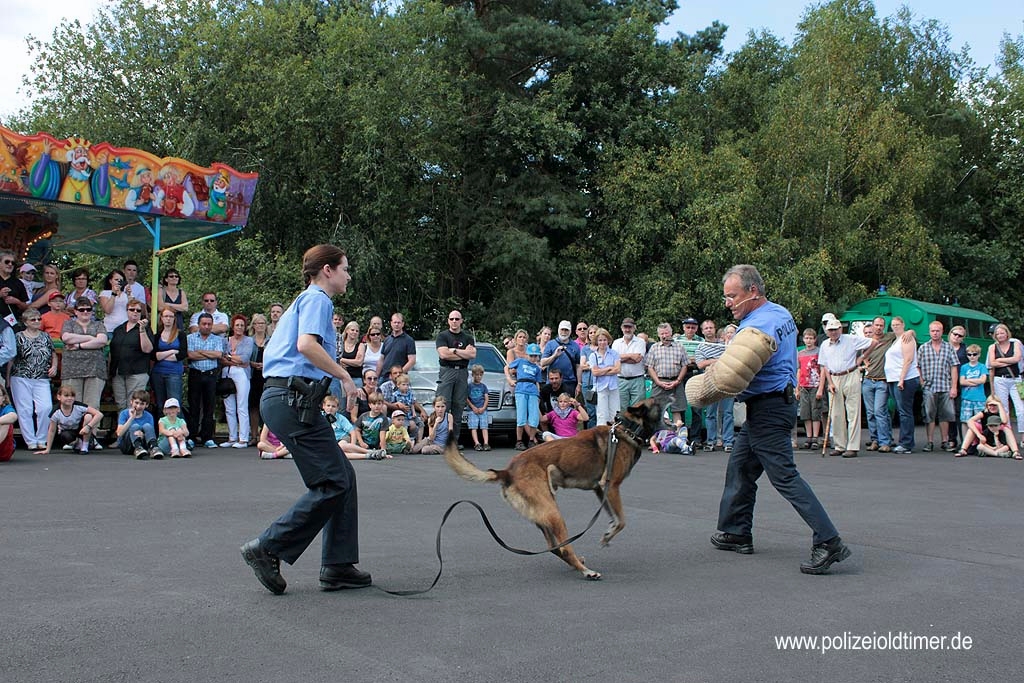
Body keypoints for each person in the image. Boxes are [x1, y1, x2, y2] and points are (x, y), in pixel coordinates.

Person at [240, 244, 370, 596]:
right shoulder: (317, 299)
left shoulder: (306, 300)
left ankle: (339, 565)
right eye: (345, 268)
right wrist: (345, 376)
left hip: (288, 398)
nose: (348, 275)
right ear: (327, 270)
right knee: (332, 481)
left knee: (342, 476)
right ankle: (268, 547)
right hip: (290, 398)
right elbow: (306, 346)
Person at [712, 264, 850, 575]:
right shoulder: (780, 313)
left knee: (785, 477)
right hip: (773, 404)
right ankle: (736, 532)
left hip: (768, 408)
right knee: (740, 468)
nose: (728, 303)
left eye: (732, 296)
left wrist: (711, 375)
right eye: (726, 297)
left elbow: (731, 374)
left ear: (753, 292)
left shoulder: (756, 329)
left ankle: (828, 541)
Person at [817, 317, 873, 457]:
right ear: (827, 331)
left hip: (850, 374)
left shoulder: (851, 339)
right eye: (831, 330)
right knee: (836, 414)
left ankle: (852, 447)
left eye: (836, 329)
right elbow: (824, 365)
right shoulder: (824, 344)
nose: (833, 332)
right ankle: (839, 445)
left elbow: (874, 342)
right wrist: (829, 383)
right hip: (834, 377)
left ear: (840, 329)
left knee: (853, 412)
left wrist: (862, 357)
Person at [10, 309, 58, 449]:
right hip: (20, 376)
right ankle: (30, 441)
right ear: (25, 322)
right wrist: (8, 378)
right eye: (33, 320)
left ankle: (41, 439)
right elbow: (12, 359)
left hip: (42, 377)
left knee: (45, 407)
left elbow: (53, 353)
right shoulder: (18, 336)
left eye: (38, 319)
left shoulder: (45, 336)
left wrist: (54, 367)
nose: (37, 321)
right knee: (25, 409)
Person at [916, 320, 959, 452]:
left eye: (937, 331)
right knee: (929, 414)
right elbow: (917, 366)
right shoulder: (923, 348)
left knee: (945, 415)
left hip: (945, 385)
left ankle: (944, 441)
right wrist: (921, 381)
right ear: (929, 332)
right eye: (933, 331)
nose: (935, 333)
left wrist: (954, 386)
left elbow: (954, 367)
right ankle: (929, 441)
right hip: (929, 386)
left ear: (942, 332)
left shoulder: (949, 347)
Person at [435, 309, 475, 444]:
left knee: (458, 407)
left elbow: (472, 355)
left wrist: (455, 350)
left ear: (461, 321)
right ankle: (441, 439)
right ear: (448, 320)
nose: (454, 321)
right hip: (447, 371)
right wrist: (463, 353)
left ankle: (454, 441)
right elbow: (444, 355)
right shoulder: (442, 336)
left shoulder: (468, 337)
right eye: (451, 319)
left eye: (457, 319)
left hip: (463, 372)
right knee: (443, 405)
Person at [60, 297, 108, 409]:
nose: (85, 312)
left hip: (95, 370)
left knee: (92, 405)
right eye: (82, 309)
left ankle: (91, 427)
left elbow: (101, 341)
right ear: (76, 311)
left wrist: (79, 345)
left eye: (88, 309)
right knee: (71, 404)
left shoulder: (98, 325)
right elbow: (66, 338)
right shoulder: (68, 324)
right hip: (71, 370)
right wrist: (90, 337)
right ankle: (71, 427)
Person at [109, 298, 154, 411]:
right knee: (120, 404)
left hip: (137, 372)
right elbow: (112, 351)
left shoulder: (146, 329)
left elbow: (147, 349)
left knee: (134, 405)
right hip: (118, 372)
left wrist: (142, 331)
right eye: (132, 309)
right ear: (127, 310)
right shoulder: (118, 329)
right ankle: (122, 428)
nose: (135, 312)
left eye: (138, 310)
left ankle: (133, 428)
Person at [859, 317, 896, 453]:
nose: (879, 327)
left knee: (880, 411)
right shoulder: (866, 342)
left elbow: (907, 333)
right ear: (873, 326)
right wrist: (865, 363)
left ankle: (885, 441)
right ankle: (874, 440)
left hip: (882, 380)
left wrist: (909, 333)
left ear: (884, 327)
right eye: (876, 325)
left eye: (881, 325)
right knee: (870, 413)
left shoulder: (889, 338)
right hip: (868, 380)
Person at [187, 312, 224, 449]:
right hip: (195, 374)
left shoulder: (217, 339)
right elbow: (190, 355)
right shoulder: (190, 338)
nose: (207, 326)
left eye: (209, 324)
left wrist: (200, 352)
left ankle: (207, 437)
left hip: (210, 375)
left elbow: (218, 355)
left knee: (209, 407)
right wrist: (208, 354)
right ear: (199, 325)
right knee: (194, 406)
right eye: (204, 324)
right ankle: (191, 436)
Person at [885, 316, 920, 453]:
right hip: (893, 379)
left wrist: (901, 379)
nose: (895, 326)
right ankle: (904, 441)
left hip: (905, 379)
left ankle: (906, 444)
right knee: (901, 410)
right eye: (893, 325)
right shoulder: (895, 340)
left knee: (905, 412)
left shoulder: (907, 338)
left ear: (903, 324)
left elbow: (908, 359)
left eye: (898, 324)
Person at [36, 384, 103, 454]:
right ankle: (78, 444)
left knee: (88, 416)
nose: (70, 398)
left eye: (72, 396)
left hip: (82, 431)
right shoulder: (55, 412)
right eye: (66, 396)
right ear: (59, 397)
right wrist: (47, 449)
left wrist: (88, 426)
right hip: (69, 433)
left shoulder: (78, 406)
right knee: (65, 435)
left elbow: (99, 414)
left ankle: (85, 445)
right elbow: (52, 430)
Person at [220, 314, 254, 448]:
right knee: (229, 407)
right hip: (226, 373)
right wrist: (233, 359)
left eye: (242, 325)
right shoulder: (225, 341)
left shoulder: (248, 341)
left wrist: (229, 358)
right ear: (233, 327)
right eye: (237, 325)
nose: (239, 327)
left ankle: (243, 438)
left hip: (242, 374)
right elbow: (221, 358)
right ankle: (232, 437)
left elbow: (245, 359)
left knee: (242, 405)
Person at [321, 394, 388, 460]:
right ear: (323, 406)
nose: (330, 408)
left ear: (337, 408)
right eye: (328, 405)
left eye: (333, 406)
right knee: (339, 454)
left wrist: (352, 445)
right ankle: (368, 456)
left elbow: (352, 431)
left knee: (341, 446)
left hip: (342, 438)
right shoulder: (319, 417)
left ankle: (370, 451)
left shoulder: (340, 418)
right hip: (329, 440)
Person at [987, 323, 1023, 440]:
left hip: (1015, 379)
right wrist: (1009, 361)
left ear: (1007, 333)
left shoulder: (1015, 344)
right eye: (997, 334)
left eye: (1002, 333)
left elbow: (1017, 358)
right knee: (1004, 409)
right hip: (1000, 379)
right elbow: (992, 364)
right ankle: (1008, 436)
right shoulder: (992, 347)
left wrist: (1000, 360)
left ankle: (1023, 436)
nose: (1000, 335)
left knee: (1020, 409)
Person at [645, 322, 688, 414]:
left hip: (676, 383)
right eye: (662, 334)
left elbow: (684, 366)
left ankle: (678, 428)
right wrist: (658, 382)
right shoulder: (654, 347)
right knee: (657, 412)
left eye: (667, 333)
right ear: (658, 335)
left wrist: (678, 381)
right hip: (659, 383)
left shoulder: (680, 347)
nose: (664, 336)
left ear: (671, 332)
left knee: (678, 412)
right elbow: (650, 367)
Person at [151, 307, 188, 416]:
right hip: (158, 373)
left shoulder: (180, 335)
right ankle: (161, 430)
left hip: (174, 373)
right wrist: (171, 351)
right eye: (166, 316)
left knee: (175, 403)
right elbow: (154, 356)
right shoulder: (157, 336)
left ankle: (178, 431)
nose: (168, 319)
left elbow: (181, 355)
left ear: (174, 319)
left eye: (171, 316)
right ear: (161, 318)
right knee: (160, 404)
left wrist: (161, 355)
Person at [508, 343, 543, 450]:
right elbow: (508, 367)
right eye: (531, 355)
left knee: (534, 418)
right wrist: (510, 378)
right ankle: (519, 441)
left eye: (535, 356)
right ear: (527, 354)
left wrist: (538, 395)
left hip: (532, 391)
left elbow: (537, 382)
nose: (533, 358)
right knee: (521, 417)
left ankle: (531, 440)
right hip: (521, 390)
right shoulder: (520, 361)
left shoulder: (537, 368)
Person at [584, 327, 620, 425]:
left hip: (613, 387)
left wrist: (602, 371)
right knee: (601, 414)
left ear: (608, 340)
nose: (602, 342)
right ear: (596, 341)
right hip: (600, 388)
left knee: (615, 412)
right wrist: (609, 368)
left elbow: (617, 369)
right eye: (600, 340)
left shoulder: (614, 353)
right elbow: (595, 372)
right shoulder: (593, 356)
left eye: (604, 340)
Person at [957, 344, 989, 449]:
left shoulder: (982, 366)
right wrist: (976, 381)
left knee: (980, 421)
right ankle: (966, 443)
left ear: (978, 355)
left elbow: (983, 380)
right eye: (969, 354)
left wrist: (969, 381)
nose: (972, 356)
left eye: (974, 354)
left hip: (979, 398)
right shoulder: (964, 367)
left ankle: (980, 442)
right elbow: (961, 381)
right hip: (967, 397)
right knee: (965, 420)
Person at [613, 317, 647, 411]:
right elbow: (614, 360)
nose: (627, 329)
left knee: (638, 409)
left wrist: (621, 358)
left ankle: (636, 426)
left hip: (637, 380)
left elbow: (637, 359)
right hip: (621, 380)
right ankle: (624, 426)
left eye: (630, 327)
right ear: (621, 328)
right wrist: (631, 355)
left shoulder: (641, 342)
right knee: (621, 409)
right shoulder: (616, 343)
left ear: (634, 328)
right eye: (625, 327)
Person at [115, 390, 161, 459]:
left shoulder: (149, 416)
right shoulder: (124, 413)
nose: (138, 406)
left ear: (146, 405)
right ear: (131, 402)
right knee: (135, 426)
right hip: (127, 445)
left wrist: (142, 435)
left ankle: (153, 448)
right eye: (136, 403)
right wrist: (131, 418)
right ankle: (137, 448)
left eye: (142, 404)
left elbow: (150, 432)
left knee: (147, 426)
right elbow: (119, 433)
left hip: (143, 442)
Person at [540, 321, 581, 396]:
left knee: (568, 406)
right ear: (559, 330)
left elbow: (578, 366)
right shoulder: (551, 344)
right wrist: (555, 355)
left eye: (566, 330)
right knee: (552, 407)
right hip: (553, 382)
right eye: (562, 330)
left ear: (570, 331)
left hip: (569, 383)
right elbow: (543, 363)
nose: (564, 332)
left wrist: (579, 383)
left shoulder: (575, 346)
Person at [248, 313, 270, 440]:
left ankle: (265, 435)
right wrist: (252, 364)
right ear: (253, 325)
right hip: (252, 375)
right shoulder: (248, 341)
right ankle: (254, 434)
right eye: (257, 323)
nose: (260, 326)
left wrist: (265, 364)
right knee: (253, 405)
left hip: (266, 375)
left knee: (265, 405)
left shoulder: (271, 340)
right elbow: (244, 357)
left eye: (262, 323)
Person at [377, 312, 416, 377]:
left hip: (399, 379)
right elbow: (381, 359)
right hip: (384, 376)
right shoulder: (387, 340)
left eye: (399, 322)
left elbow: (412, 361)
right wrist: (376, 376)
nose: (396, 324)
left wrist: (398, 375)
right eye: (395, 322)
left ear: (403, 324)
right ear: (391, 323)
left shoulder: (409, 340)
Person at [0, 249, 29, 327]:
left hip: (12, 323)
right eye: (7, 262)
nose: (10, 264)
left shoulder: (18, 283)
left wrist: (17, 302)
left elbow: (26, 307)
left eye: (12, 263)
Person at [466, 364, 491, 451]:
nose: (479, 377)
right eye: (477, 375)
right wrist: (473, 407)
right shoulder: (469, 386)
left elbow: (486, 398)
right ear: (472, 375)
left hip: (482, 410)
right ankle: (477, 443)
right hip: (473, 410)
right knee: (474, 427)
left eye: (480, 375)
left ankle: (486, 443)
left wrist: (483, 407)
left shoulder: (483, 386)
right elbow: (466, 398)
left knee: (484, 426)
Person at [98, 269, 129, 334]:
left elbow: (132, 308)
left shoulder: (126, 294)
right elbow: (108, 310)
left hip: (126, 328)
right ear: (110, 281)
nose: (118, 282)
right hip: (111, 328)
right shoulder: (105, 293)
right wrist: (114, 294)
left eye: (121, 280)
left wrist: (130, 294)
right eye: (116, 280)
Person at [0, 384, 18, 463]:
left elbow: (13, 416)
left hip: (3, 449)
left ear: (3, 398)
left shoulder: (6, 408)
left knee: (6, 422)